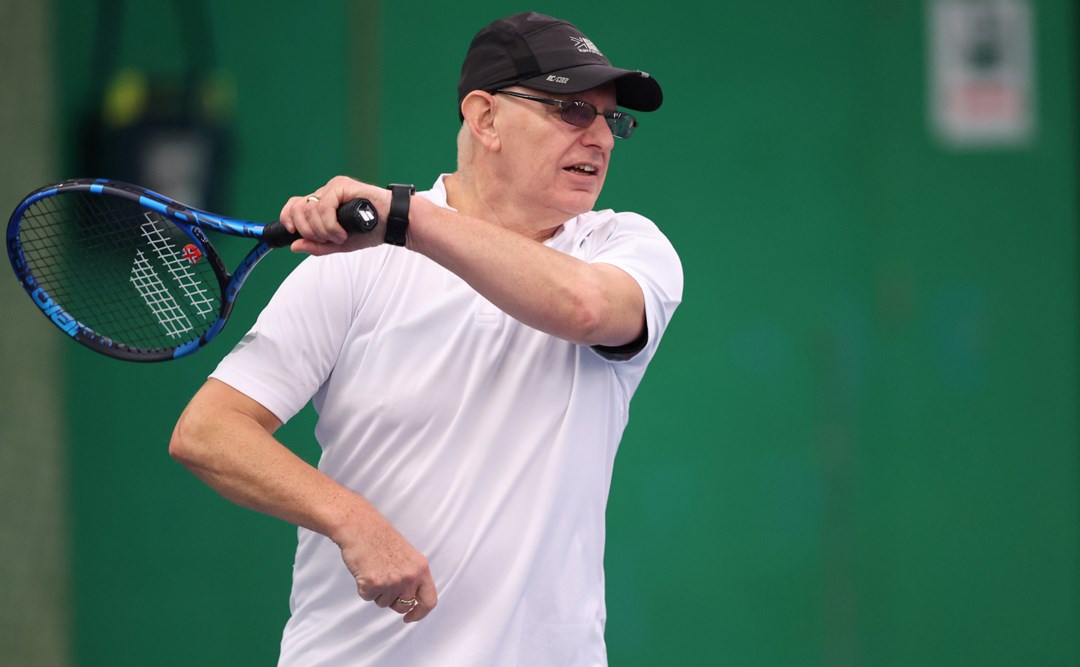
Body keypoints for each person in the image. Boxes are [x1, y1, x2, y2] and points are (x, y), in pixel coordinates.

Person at [169, 11, 682, 666]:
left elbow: (584, 308)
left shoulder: (625, 247)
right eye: (573, 108)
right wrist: (350, 519)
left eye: (611, 119)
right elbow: (208, 432)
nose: (601, 137)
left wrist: (403, 219)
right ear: (485, 117)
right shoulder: (354, 265)